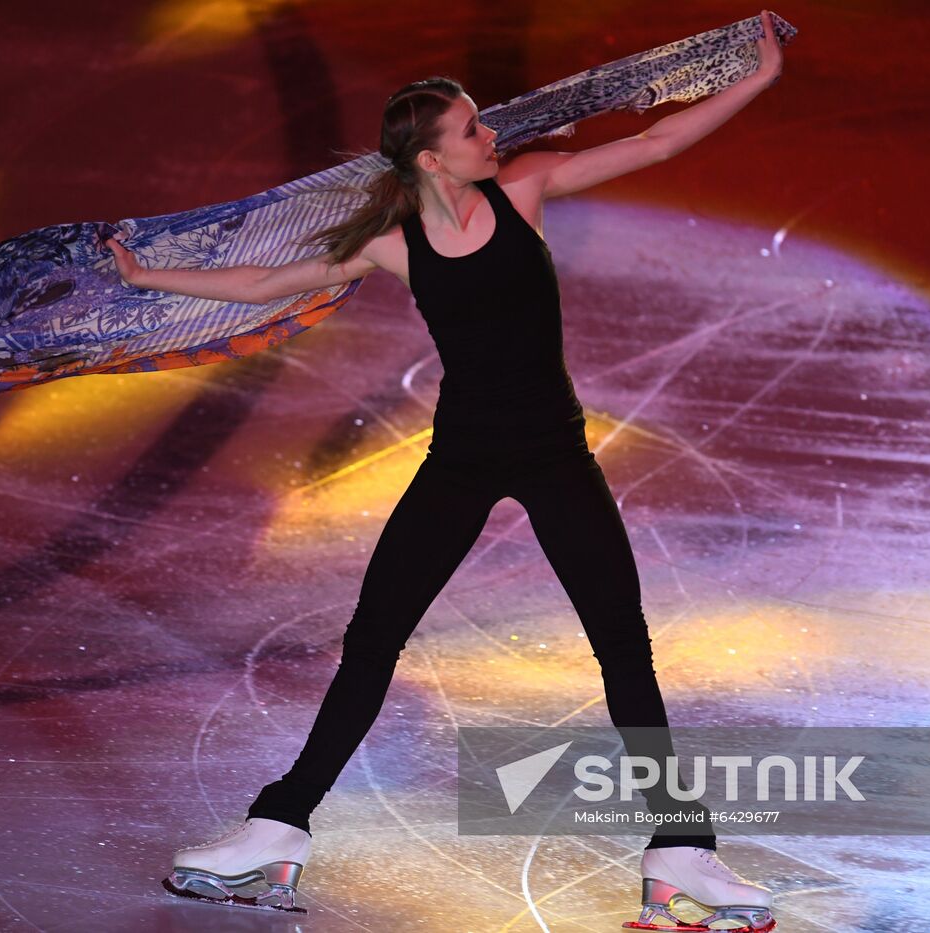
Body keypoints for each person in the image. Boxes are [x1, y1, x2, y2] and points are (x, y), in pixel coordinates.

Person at [102, 12, 783, 931]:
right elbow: (269, 285)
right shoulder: (393, 244)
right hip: (458, 461)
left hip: (555, 456)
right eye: (473, 129)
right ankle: (276, 828)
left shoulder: (526, 193)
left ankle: (682, 851)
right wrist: (148, 281)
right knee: (372, 642)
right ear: (431, 159)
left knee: (623, 647)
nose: (494, 133)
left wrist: (757, 77)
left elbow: (658, 140)